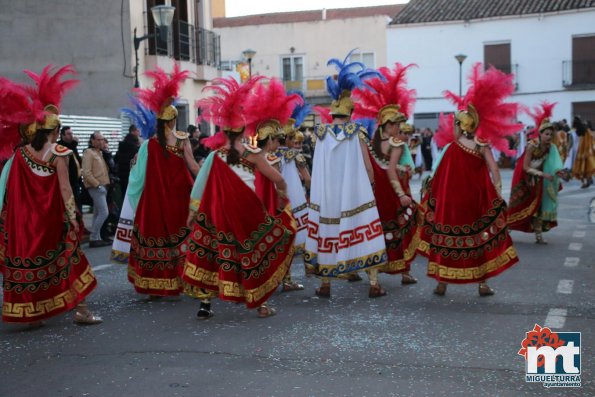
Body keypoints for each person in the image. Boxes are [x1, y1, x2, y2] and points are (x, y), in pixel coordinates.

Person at [182, 76, 297, 319]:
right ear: (243, 130)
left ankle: (205, 304)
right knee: (255, 253)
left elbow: (201, 185)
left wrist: (193, 212)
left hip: (218, 213)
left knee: (213, 255)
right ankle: (261, 305)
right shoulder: (253, 155)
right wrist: (281, 197)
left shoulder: (215, 156)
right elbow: (278, 179)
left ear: (223, 132)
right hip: (246, 212)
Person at [0, 65, 101, 326]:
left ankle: (32, 315)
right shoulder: (59, 153)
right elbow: (65, 188)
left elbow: (13, 190)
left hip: (24, 223)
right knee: (72, 261)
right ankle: (82, 311)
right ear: (55, 131)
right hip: (52, 220)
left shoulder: (20, 155)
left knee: (31, 268)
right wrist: (73, 216)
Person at [419, 63, 520, 297]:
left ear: (460, 127)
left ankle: (442, 282)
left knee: (446, 241)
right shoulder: (482, 146)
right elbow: (495, 171)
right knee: (479, 242)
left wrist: (429, 194)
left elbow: (439, 180)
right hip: (475, 202)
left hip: (451, 204)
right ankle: (482, 284)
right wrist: (497, 193)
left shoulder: (452, 148)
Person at [304, 51, 388, 299]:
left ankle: (325, 285)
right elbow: (368, 165)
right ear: (350, 114)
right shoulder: (356, 133)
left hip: (328, 195)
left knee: (327, 234)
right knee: (365, 231)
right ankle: (373, 283)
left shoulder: (320, 135)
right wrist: (371, 184)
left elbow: (316, 166)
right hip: (355, 192)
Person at [125, 64, 199, 299]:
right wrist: (209, 178)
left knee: (157, 242)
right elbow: (193, 166)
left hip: (154, 201)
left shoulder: (149, 144)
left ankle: (155, 286)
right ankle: (186, 279)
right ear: (174, 119)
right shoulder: (181, 140)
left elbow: (137, 176)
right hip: (179, 198)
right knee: (184, 239)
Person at [352, 63, 420, 285]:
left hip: (373, 194)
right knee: (405, 225)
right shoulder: (395, 143)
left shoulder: (371, 142)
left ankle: (373, 273)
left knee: (376, 231)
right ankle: (405, 271)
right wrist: (400, 191)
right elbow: (391, 170)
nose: (399, 129)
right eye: (397, 125)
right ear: (388, 125)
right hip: (391, 192)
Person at [508, 102, 564, 244]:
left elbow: (554, 163)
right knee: (518, 207)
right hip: (525, 178)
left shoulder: (550, 147)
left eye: (551, 134)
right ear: (540, 134)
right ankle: (505, 230)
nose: (549, 136)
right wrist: (542, 175)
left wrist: (558, 173)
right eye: (546, 134)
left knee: (538, 208)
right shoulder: (532, 146)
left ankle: (539, 236)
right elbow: (526, 167)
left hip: (539, 181)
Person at [81, 131, 111, 247]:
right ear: (92, 140)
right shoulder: (89, 152)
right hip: (96, 187)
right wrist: (97, 185)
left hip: (103, 186)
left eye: (102, 139)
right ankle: (93, 237)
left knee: (97, 213)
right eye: (98, 140)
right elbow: (86, 172)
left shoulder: (99, 153)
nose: (100, 142)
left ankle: (96, 238)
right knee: (104, 212)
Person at [57, 125, 83, 211]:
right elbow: (67, 153)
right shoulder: (59, 145)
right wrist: (74, 144)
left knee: (78, 205)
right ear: (62, 135)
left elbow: (77, 160)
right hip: (67, 182)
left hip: (76, 182)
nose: (71, 135)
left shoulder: (72, 146)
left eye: (72, 133)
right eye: (68, 134)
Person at [115, 124, 141, 195]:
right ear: (133, 131)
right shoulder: (135, 145)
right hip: (132, 176)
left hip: (122, 176)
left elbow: (116, 159)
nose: (139, 133)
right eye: (138, 131)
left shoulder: (122, 144)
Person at [571, 116, 595, 188]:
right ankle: (588, 179)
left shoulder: (578, 131)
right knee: (587, 167)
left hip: (580, 152)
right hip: (586, 151)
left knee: (580, 168)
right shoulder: (586, 130)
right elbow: (591, 141)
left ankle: (585, 181)